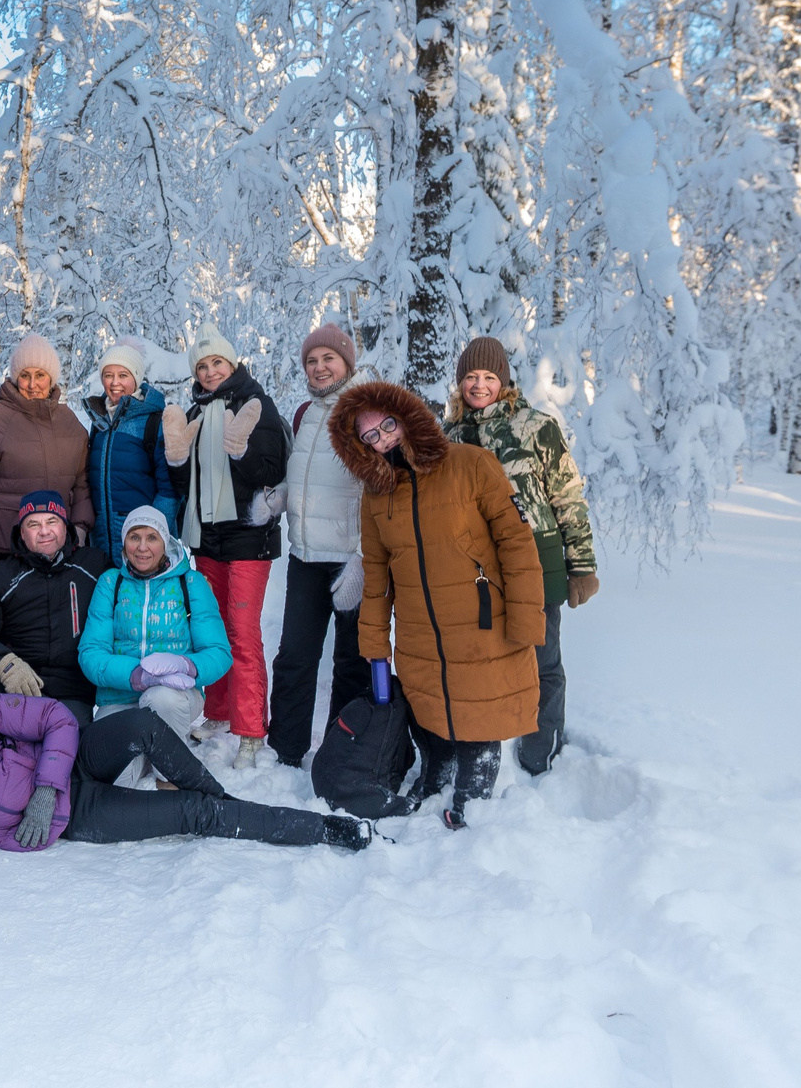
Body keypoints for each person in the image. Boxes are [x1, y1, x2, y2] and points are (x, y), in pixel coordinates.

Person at [0, 664, 372, 852]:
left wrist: (45, 787)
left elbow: (57, 720)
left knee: (141, 723)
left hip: (68, 768)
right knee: (191, 814)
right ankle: (322, 830)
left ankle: (228, 804)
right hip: (75, 816)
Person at [328, 382, 544, 829]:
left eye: (387, 425)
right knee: (428, 708)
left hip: (481, 619)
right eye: (370, 436)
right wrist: (373, 644)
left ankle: (474, 796)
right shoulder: (376, 496)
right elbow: (376, 573)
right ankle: (435, 772)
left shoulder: (470, 464)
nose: (383, 439)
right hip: (418, 628)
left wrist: (526, 616)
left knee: (479, 710)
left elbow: (517, 541)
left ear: (406, 416)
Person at [443, 336, 600, 775]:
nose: (479, 385)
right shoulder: (450, 435)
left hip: (538, 561)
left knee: (542, 658)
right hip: (477, 572)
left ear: (504, 381)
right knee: (493, 658)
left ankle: (540, 753)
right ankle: (497, 740)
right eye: (471, 377)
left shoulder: (536, 427)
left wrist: (582, 565)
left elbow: (568, 497)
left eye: (489, 377)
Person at [161, 326, 288, 766]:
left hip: (248, 539)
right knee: (210, 631)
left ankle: (251, 728)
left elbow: (270, 473)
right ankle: (217, 712)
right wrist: (177, 458)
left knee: (242, 632)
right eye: (202, 366)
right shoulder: (195, 412)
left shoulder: (258, 406)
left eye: (217, 363)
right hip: (206, 540)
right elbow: (187, 486)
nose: (211, 371)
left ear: (232, 365)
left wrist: (241, 452)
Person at [268, 322, 373, 767]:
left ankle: (339, 749)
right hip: (305, 557)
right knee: (294, 656)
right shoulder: (305, 414)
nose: (319, 367)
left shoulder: (368, 411)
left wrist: (365, 558)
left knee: (351, 662)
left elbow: (382, 490)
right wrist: (279, 497)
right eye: (312, 361)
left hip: (350, 561)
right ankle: (286, 750)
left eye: (328, 358)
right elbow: (311, 479)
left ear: (347, 363)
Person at [78, 505, 232, 780]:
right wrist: (135, 675)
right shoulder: (110, 583)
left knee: (159, 697)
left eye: (152, 538)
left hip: (175, 697)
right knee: (114, 779)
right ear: (124, 543)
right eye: (134, 537)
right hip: (119, 699)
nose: (142, 547)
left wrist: (186, 665)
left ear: (166, 542)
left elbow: (219, 653)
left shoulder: (190, 583)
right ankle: (146, 753)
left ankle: (170, 776)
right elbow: (91, 653)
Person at [0, 489, 106, 723]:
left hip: (73, 692)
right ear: (22, 533)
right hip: (17, 684)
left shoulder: (95, 566)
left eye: (52, 521)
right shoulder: (2, 574)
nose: (44, 531)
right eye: (33, 524)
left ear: (66, 526)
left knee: (69, 739)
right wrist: (5, 664)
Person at [0, 333, 94, 579]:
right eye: (24, 376)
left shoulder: (69, 423)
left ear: (51, 378)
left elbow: (82, 483)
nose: (32, 385)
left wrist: (80, 529)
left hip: (59, 551)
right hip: (7, 550)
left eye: (40, 375)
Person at [83, 340, 176, 564]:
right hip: (101, 538)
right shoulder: (99, 423)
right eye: (108, 375)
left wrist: (153, 535)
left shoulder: (154, 422)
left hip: (140, 542)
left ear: (136, 378)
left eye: (123, 375)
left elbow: (169, 489)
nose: (114, 383)